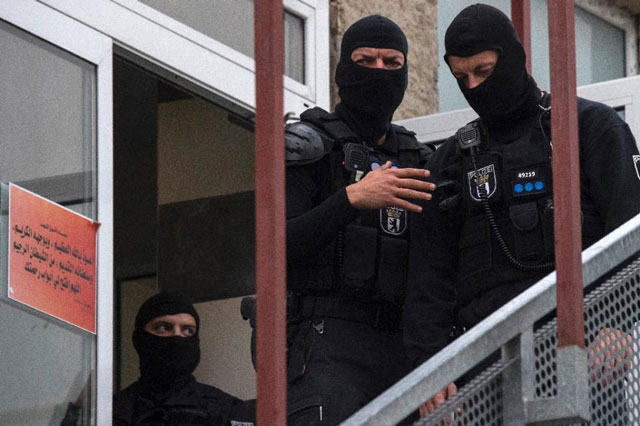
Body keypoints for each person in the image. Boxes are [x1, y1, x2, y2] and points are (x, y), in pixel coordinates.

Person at [403, 3, 640, 419]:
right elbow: (427, 278)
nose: (474, 87)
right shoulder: (451, 161)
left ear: (511, 58)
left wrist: (619, 326)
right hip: (482, 367)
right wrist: (431, 368)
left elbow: (632, 232)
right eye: (462, 78)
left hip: (579, 351)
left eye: (485, 71)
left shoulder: (589, 128)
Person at [284, 14, 435, 425]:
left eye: (392, 62)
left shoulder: (420, 161)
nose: (379, 71)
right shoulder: (307, 144)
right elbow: (274, 245)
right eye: (365, 61)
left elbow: (438, 272)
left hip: (404, 351)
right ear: (342, 70)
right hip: (326, 343)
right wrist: (352, 199)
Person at [113, 291, 254, 426]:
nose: (177, 338)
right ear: (139, 339)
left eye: (188, 330)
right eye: (163, 328)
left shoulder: (228, 411)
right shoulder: (112, 412)